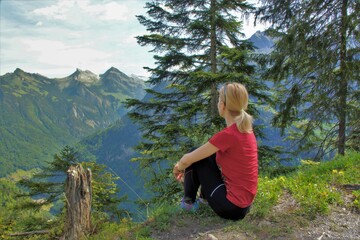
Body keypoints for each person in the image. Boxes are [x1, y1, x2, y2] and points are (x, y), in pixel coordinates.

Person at [173, 82, 258, 220]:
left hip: (231, 207)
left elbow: (186, 160)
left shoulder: (228, 135)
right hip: (244, 205)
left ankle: (188, 203)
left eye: (219, 100)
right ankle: (204, 199)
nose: (218, 103)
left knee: (196, 155)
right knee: (206, 155)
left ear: (223, 105)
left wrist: (178, 168)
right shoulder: (245, 129)